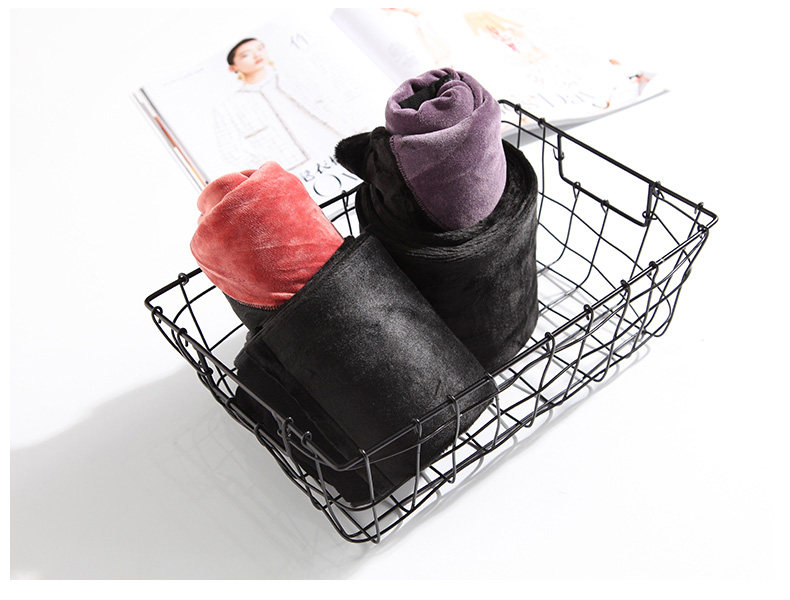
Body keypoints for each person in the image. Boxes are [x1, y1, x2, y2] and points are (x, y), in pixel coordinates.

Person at [213, 38, 348, 171]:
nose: (256, 55)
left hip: (336, 142)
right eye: (246, 55)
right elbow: (230, 149)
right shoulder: (231, 105)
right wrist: (265, 167)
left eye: (260, 49)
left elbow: (333, 101)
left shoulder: (294, 77)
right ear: (233, 68)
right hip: (296, 168)